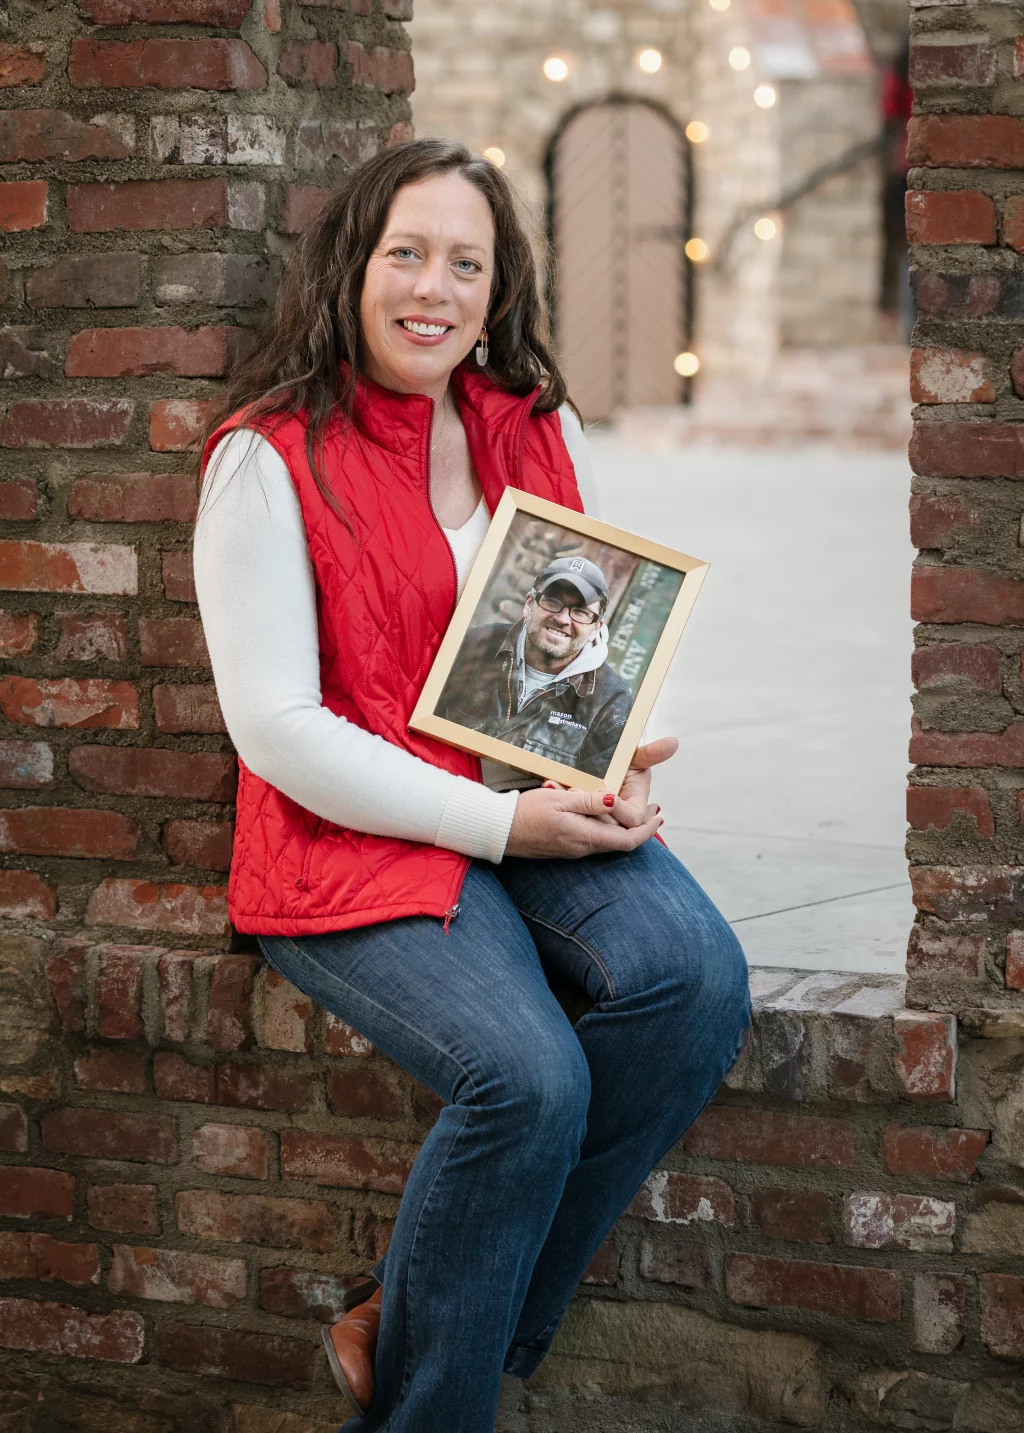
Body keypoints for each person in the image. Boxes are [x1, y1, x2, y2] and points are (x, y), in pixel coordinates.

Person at [192, 137, 750, 1433]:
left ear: (499, 288)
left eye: (465, 262)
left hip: (530, 801)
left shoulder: (532, 422)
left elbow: (590, 646)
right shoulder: (269, 457)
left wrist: (622, 762)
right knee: (527, 1077)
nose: (432, 288)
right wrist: (500, 822)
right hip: (349, 836)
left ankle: (417, 1309)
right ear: (353, 265)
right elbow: (275, 727)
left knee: (696, 980)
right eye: (406, 254)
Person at [437, 555, 633, 775]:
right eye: (553, 602)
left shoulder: (611, 701)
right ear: (529, 603)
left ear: (596, 628)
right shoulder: (470, 645)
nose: (562, 619)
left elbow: (593, 789)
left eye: (581, 612)